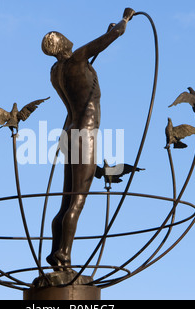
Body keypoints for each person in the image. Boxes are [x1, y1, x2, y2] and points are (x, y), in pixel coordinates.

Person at [42, 8, 135, 270]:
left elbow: (86, 67)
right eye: (64, 37)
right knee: (78, 200)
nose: (69, 39)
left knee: (66, 199)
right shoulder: (77, 58)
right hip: (85, 132)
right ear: (62, 43)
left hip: (69, 132)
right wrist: (125, 19)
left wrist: (104, 37)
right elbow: (116, 34)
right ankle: (64, 255)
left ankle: (55, 250)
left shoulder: (56, 71)